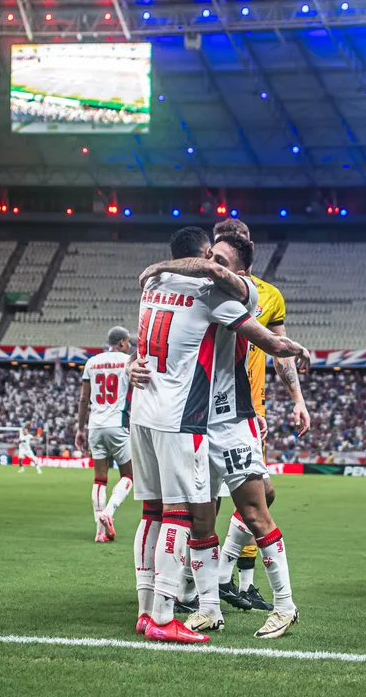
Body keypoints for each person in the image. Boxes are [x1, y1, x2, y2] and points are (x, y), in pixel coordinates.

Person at [129, 226, 310, 644]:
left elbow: (274, 344)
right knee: (199, 520)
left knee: (254, 511)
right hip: (196, 420)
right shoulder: (191, 287)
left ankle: (285, 605)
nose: (214, 267)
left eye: (221, 262)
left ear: (240, 268)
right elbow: (158, 340)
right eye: (212, 259)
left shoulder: (244, 291)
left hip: (233, 419)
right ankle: (208, 608)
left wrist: (297, 390)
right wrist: (132, 365)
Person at [211, 218, 310, 611]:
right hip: (213, 408)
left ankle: (238, 582)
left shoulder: (269, 295)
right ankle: (199, 584)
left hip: (251, 410)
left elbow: (278, 352)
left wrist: (298, 399)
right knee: (212, 501)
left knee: (258, 497)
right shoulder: (205, 289)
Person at [75, 327, 133, 542]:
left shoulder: (92, 362)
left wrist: (81, 428)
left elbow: (83, 398)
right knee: (128, 475)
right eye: (127, 343)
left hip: (95, 425)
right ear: (120, 343)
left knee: (99, 479)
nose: (129, 346)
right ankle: (108, 513)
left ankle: (100, 532)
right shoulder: (127, 361)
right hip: (118, 423)